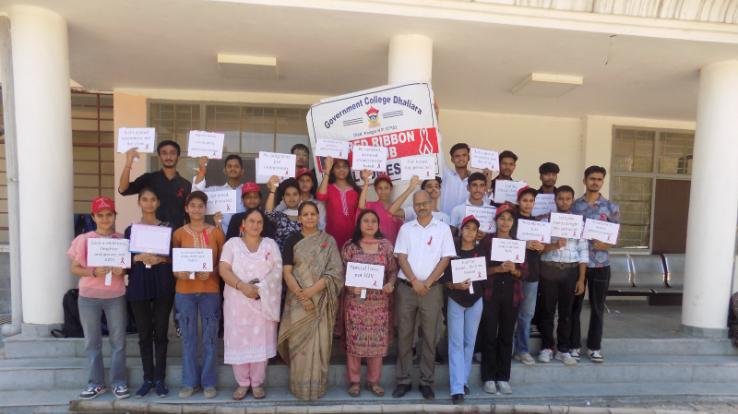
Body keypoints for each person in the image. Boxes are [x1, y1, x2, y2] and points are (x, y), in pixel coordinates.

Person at [278, 202, 344, 400]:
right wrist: (301, 294)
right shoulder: (292, 239)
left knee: (320, 343)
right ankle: (299, 387)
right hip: (297, 301)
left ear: (318, 217)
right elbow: (286, 271)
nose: (309, 217)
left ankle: (317, 387)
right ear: (299, 218)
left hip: (321, 300)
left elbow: (335, 272)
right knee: (298, 346)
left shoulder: (328, 241)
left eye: (312, 214)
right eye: (305, 214)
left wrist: (311, 292)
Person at [392, 190, 455, 400]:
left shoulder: (443, 228)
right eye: (417, 204)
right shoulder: (406, 229)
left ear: (431, 202)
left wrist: (426, 283)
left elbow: (445, 259)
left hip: (432, 290)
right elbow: (401, 257)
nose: (421, 207)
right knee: (405, 336)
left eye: (424, 203)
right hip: (407, 289)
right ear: (414, 206)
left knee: (430, 336)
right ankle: (403, 380)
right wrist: (415, 281)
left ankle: (427, 381)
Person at [67, 197, 130, 400]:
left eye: (108, 215)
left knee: (118, 342)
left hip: (116, 296)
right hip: (88, 297)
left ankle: (119, 382)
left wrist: (124, 269)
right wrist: (94, 271)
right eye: (100, 215)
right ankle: (96, 383)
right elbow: (74, 267)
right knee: (92, 342)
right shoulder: (84, 239)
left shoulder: (122, 240)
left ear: (114, 216)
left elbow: (127, 266)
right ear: (93, 217)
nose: (105, 219)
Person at [219, 208, 283, 401]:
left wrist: (260, 288)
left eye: (259, 222)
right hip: (236, 303)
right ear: (243, 224)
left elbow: (277, 269)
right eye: (252, 221)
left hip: (262, 303)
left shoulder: (270, 244)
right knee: (238, 341)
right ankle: (242, 383)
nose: (256, 225)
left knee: (260, 342)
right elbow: (223, 268)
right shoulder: (232, 244)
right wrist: (241, 286)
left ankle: (256, 383)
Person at [172, 191, 225, 399]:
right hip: (184, 291)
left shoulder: (216, 233)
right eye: (192, 205)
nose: (196, 209)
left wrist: (212, 271)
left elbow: (224, 262)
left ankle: (209, 382)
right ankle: (189, 382)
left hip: (210, 290)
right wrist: (179, 272)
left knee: (210, 339)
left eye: (200, 205)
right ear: (186, 208)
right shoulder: (178, 233)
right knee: (188, 338)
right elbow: (174, 264)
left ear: (206, 208)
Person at [341, 209, 398, 397]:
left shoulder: (386, 246)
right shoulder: (350, 247)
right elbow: (341, 273)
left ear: (378, 224)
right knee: (354, 343)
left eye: (374, 221)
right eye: (366, 220)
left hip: (379, 303)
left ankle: (374, 381)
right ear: (359, 224)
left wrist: (390, 283)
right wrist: (350, 287)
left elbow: (392, 271)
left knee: (377, 344)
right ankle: (355, 382)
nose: (370, 224)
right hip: (355, 303)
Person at [124, 188, 175, 398]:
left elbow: (174, 258)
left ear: (158, 203)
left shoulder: (167, 228)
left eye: (153, 199)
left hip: (162, 283)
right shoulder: (130, 230)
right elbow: (124, 261)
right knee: (144, 335)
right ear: (139, 203)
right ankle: (147, 378)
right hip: (139, 285)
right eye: (144, 199)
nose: (148, 203)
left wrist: (159, 259)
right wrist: (137, 258)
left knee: (161, 334)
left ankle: (160, 379)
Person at [571, 166, 620, 363]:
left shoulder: (611, 208)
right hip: (577, 264)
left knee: (597, 307)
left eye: (599, 179)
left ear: (603, 181)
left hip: (601, 264)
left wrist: (606, 244)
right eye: (592, 179)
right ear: (585, 180)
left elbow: (616, 238)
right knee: (574, 307)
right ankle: (573, 345)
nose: (595, 182)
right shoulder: (575, 206)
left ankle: (594, 347)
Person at [537, 185, 588, 366]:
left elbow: (583, 252)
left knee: (566, 313)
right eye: (560, 198)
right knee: (547, 311)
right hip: (549, 269)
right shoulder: (545, 222)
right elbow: (539, 249)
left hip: (570, 271)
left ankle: (563, 349)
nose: (564, 202)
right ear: (555, 200)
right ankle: (547, 348)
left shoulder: (579, 223)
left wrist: (581, 279)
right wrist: (554, 245)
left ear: (572, 200)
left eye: (567, 198)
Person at [479, 204, 523, 396]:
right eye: (502, 218)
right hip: (491, 293)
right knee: (489, 334)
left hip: (511, 295)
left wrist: (514, 269)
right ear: (496, 221)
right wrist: (498, 269)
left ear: (513, 223)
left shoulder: (517, 243)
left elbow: (525, 272)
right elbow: (479, 268)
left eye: (509, 219)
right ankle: (488, 377)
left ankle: (503, 378)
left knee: (506, 335)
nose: (505, 222)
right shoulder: (487, 242)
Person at [443, 215, 486, 405]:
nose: (469, 232)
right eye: (466, 228)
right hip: (456, 300)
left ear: (477, 233)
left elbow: (485, 278)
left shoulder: (481, 251)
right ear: (461, 230)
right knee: (456, 342)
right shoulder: (451, 251)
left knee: (470, 342)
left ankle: (464, 379)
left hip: (476, 300)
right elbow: (444, 279)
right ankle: (456, 388)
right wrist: (455, 285)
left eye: (473, 229)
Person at [119, 140, 191, 229]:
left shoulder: (186, 185)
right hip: (151, 232)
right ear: (159, 156)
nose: (168, 157)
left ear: (178, 157)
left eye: (172, 153)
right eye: (164, 153)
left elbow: (189, 215)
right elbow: (123, 190)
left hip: (176, 235)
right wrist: (128, 162)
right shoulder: (148, 179)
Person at [512, 187, 545, 366]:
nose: (528, 204)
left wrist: (542, 247)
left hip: (532, 273)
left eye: (531, 201)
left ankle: (522, 350)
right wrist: (525, 244)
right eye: (524, 200)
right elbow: (505, 242)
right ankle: (507, 349)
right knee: (509, 313)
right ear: (519, 201)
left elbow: (543, 247)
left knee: (526, 314)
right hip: (512, 273)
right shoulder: (511, 220)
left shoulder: (538, 223)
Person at [358, 171, 418, 244]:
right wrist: (366, 183)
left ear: (391, 189)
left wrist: (411, 188)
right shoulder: (371, 206)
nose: (383, 191)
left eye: (386, 188)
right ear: (375, 189)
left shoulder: (396, 209)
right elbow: (361, 206)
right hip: (376, 249)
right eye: (380, 188)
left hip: (393, 249)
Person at [192, 154, 246, 233]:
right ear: (224, 171)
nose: (233, 169)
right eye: (229, 166)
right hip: (222, 236)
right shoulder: (216, 192)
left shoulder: (248, 192)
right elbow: (196, 195)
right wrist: (202, 171)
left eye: (236, 166)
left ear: (242, 171)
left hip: (245, 238)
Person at [316, 157, 361, 249]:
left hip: (352, 235)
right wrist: (327, 171)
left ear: (349, 169)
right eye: (337, 167)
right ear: (333, 170)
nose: (341, 169)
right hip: (332, 235)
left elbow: (361, 211)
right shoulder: (329, 188)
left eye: (344, 167)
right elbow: (321, 196)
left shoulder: (356, 191)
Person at [265, 176, 303, 252]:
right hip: (281, 260)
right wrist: (273, 190)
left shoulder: (307, 216)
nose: (291, 198)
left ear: (300, 197)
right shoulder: (280, 216)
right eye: (288, 194)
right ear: (283, 198)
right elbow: (268, 213)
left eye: (295, 194)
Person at [440, 143, 471, 216]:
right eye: (457, 156)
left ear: (468, 157)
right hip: (446, 222)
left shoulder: (474, 180)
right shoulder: (446, 175)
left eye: (464, 155)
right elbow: (438, 156)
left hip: (466, 224)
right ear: (452, 159)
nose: (461, 158)